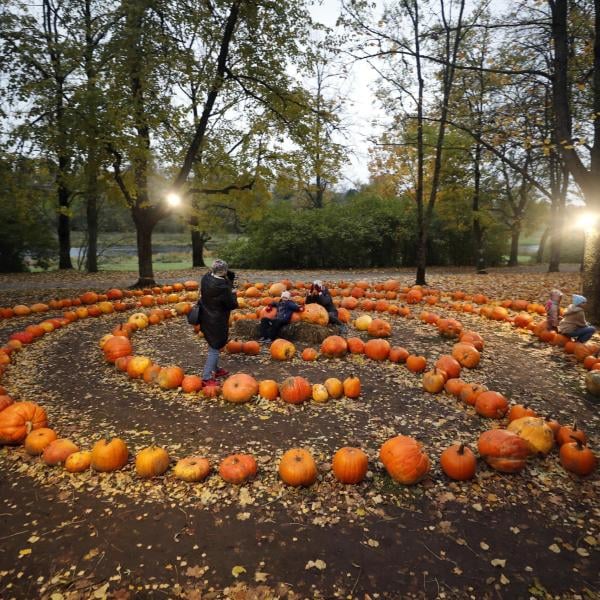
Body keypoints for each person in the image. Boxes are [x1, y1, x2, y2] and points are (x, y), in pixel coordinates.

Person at [199, 259, 239, 385]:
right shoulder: (224, 288)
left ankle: (215, 369)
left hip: (205, 315)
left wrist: (228, 281)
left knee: (213, 343)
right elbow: (232, 304)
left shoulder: (206, 278)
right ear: (225, 271)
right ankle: (206, 377)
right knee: (214, 348)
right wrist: (233, 291)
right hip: (217, 319)